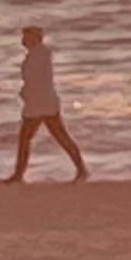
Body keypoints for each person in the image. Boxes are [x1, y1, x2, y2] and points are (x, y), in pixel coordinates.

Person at [9, 22, 88, 182]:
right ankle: (81, 170)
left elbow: (37, 80)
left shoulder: (40, 54)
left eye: (26, 36)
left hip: (40, 104)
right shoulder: (37, 54)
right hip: (40, 103)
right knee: (57, 136)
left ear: (35, 38)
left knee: (29, 138)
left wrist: (26, 93)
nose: (23, 39)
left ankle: (19, 174)